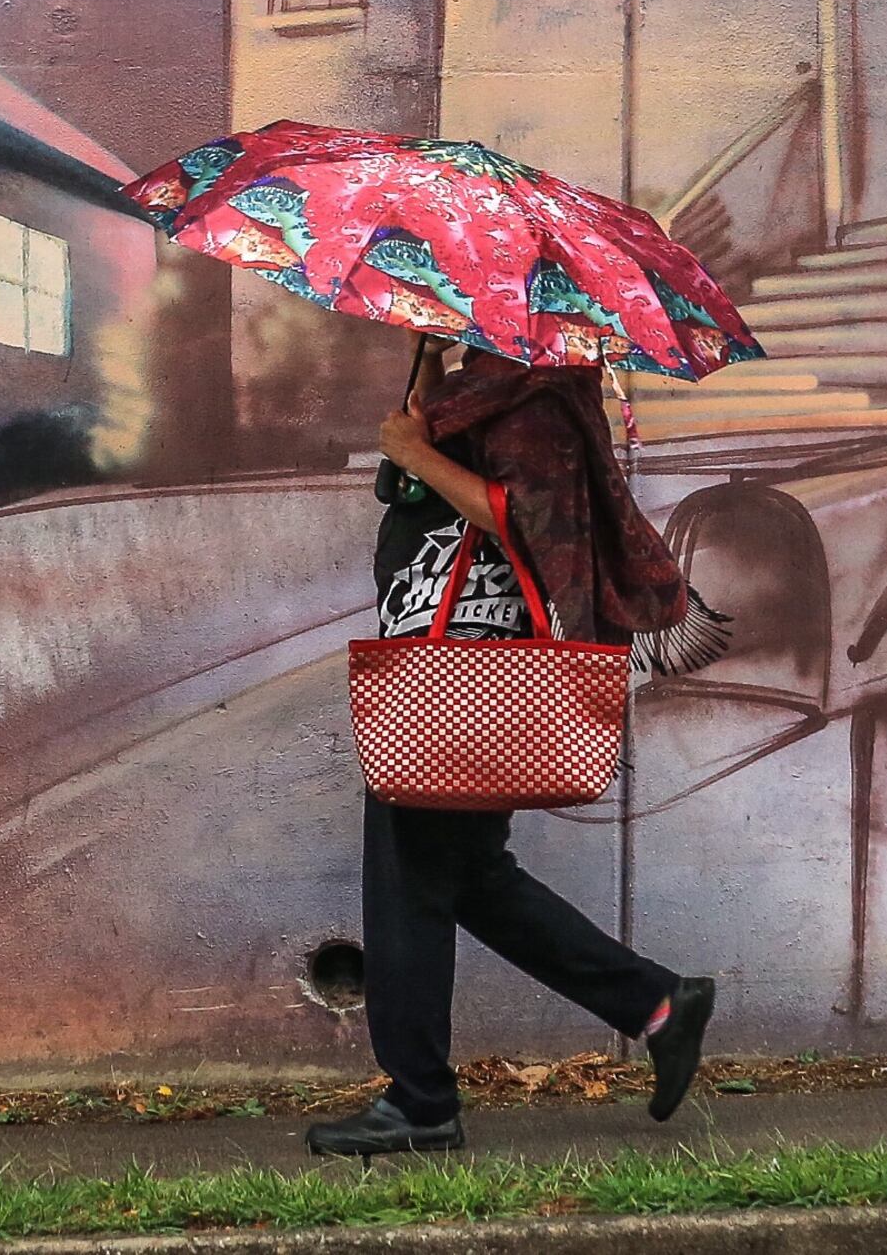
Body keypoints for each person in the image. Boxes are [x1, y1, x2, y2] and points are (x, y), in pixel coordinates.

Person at [305, 336, 732, 1157]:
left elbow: (526, 520)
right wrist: (424, 368)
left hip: (470, 663)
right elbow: (432, 446)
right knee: (467, 875)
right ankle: (657, 1004)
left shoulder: (537, 400)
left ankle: (421, 1100)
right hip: (445, 656)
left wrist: (420, 455)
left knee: (409, 873)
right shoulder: (487, 386)